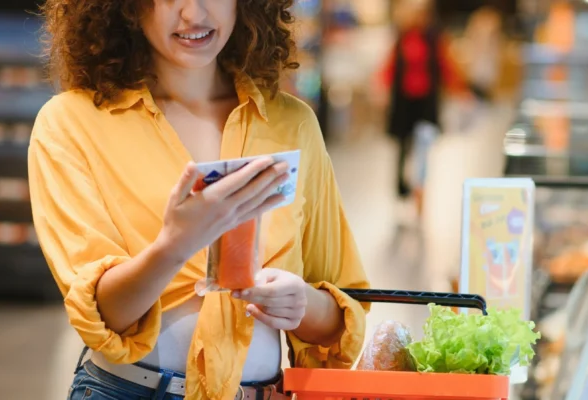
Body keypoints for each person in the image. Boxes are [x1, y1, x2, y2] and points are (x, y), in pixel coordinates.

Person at [31, 1, 370, 399]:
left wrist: (301, 304)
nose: (194, 15)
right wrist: (174, 244)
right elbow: (105, 316)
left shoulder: (291, 124)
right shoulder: (71, 124)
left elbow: (342, 313)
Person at [378, 0, 466, 203]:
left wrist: (461, 91)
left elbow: (447, 66)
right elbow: (390, 66)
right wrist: (381, 87)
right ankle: (400, 184)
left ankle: (420, 185)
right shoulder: (402, 38)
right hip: (404, 102)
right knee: (402, 145)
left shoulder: (435, 39)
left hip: (426, 102)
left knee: (423, 145)